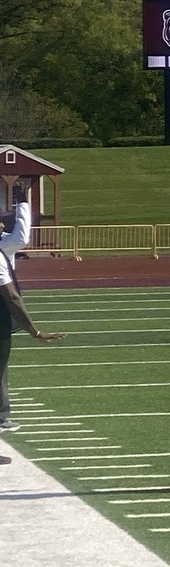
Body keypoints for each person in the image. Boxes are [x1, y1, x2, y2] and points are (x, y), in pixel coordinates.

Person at [0, 185, 66, 437]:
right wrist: (34, 331)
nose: (3, 226)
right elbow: (12, 296)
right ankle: (1, 416)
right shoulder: (3, 248)